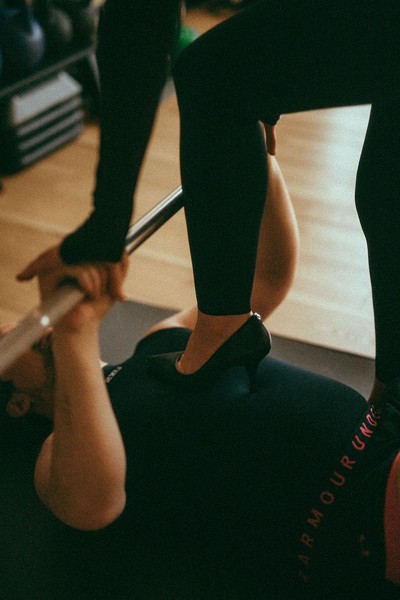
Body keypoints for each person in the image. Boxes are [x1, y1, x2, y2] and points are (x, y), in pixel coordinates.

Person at [1, 159, 400, 600]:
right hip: (354, 519)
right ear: (16, 403)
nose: (19, 329)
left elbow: (265, 281)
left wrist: (259, 164)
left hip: (386, 427)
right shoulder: (57, 454)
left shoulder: (156, 341)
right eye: (6, 341)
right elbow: (92, 505)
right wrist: (74, 332)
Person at [141, 1, 400, 409]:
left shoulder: (150, 347)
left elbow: (267, 285)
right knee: (385, 187)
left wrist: (106, 226)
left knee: (210, 73)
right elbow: (270, 284)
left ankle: (222, 329)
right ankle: (391, 395)